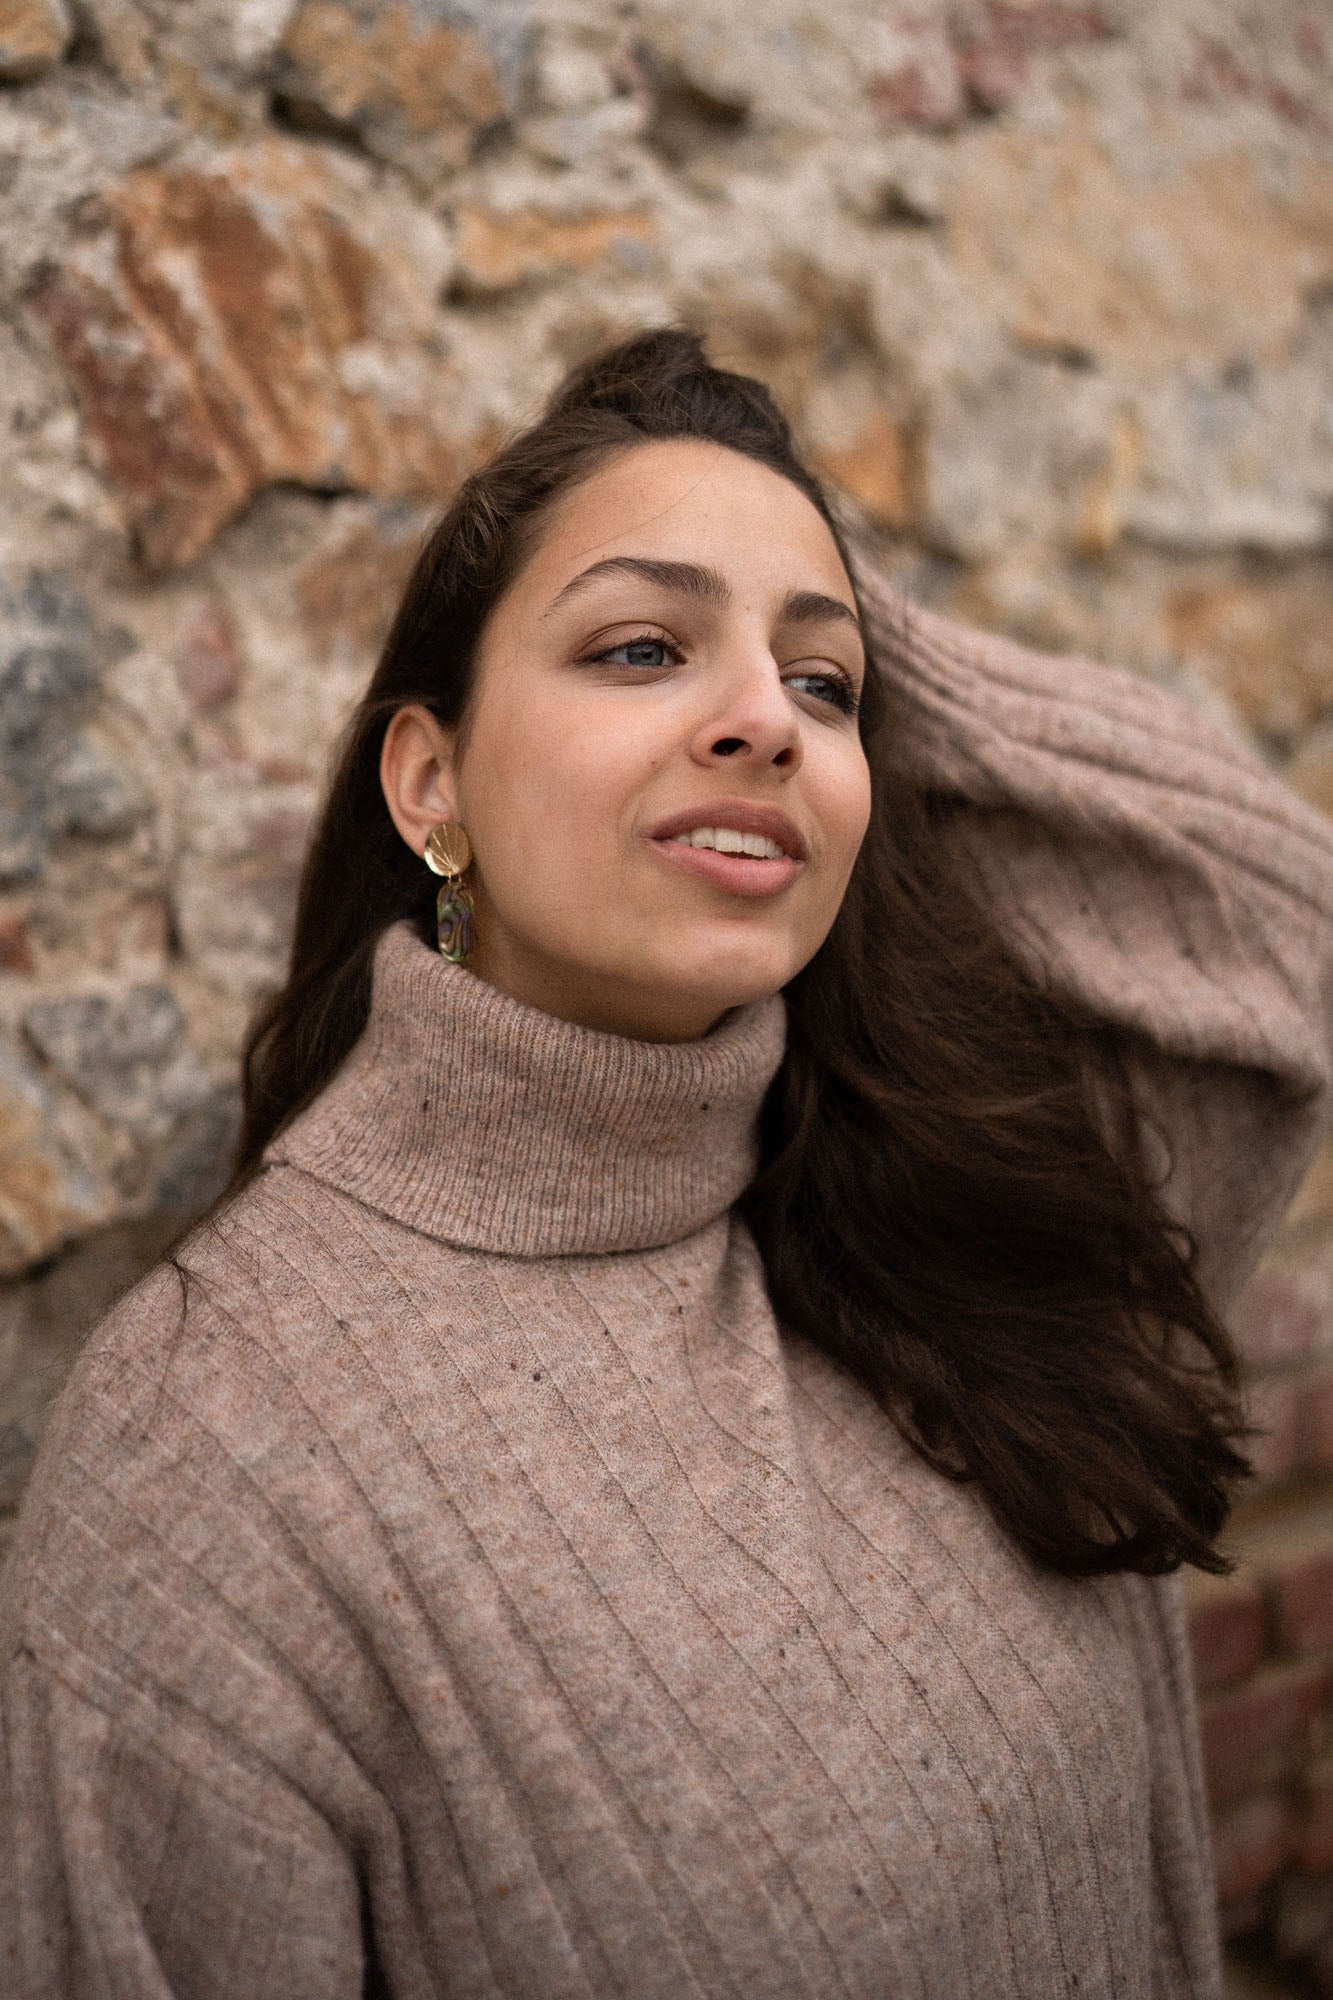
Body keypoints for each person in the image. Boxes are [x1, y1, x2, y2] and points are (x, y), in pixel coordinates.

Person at [1, 327, 1330, 2000]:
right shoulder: (209, 1461)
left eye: (823, 690)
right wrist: (760, 572)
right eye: (637, 647)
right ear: (429, 780)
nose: (763, 720)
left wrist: (788, 554)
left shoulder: (951, 1202)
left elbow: (1277, 924)